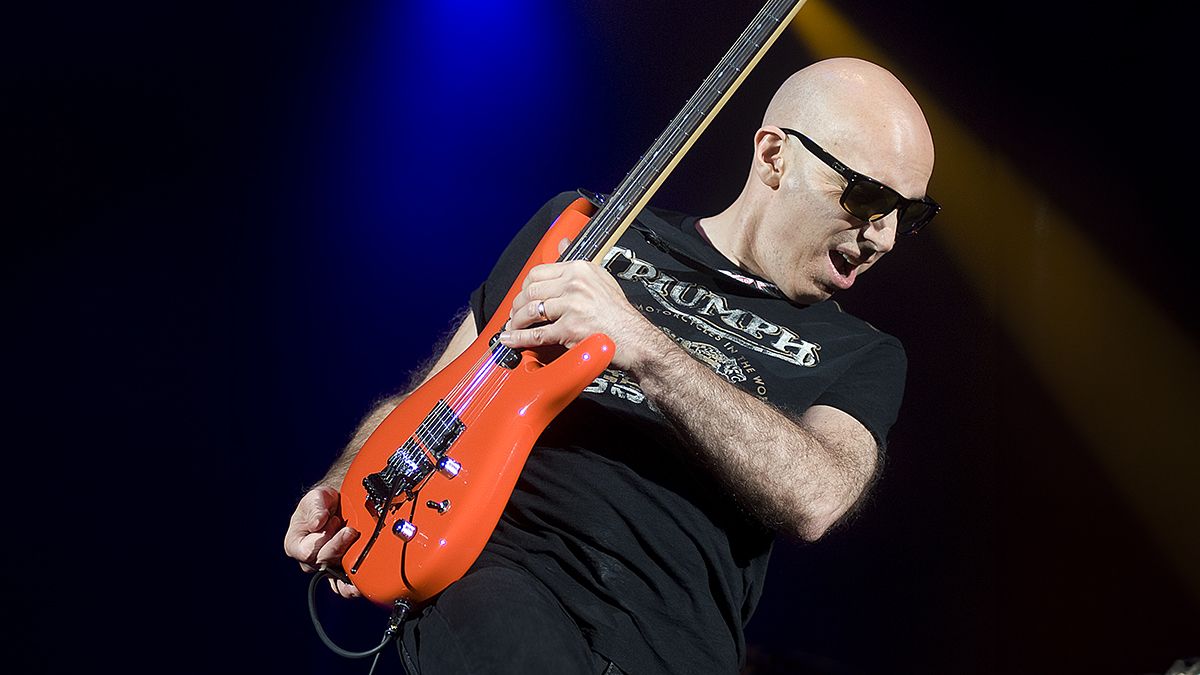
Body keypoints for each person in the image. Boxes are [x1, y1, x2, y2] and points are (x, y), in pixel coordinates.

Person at [284, 56, 938, 674]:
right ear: (774, 156)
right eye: (865, 197)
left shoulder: (863, 352)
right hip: (498, 584)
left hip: (674, 644)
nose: (881, 236)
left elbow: (817, 498)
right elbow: (439, 394)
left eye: (906, 214)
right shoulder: (588, 233)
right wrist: (348, 480)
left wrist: (645, 345)